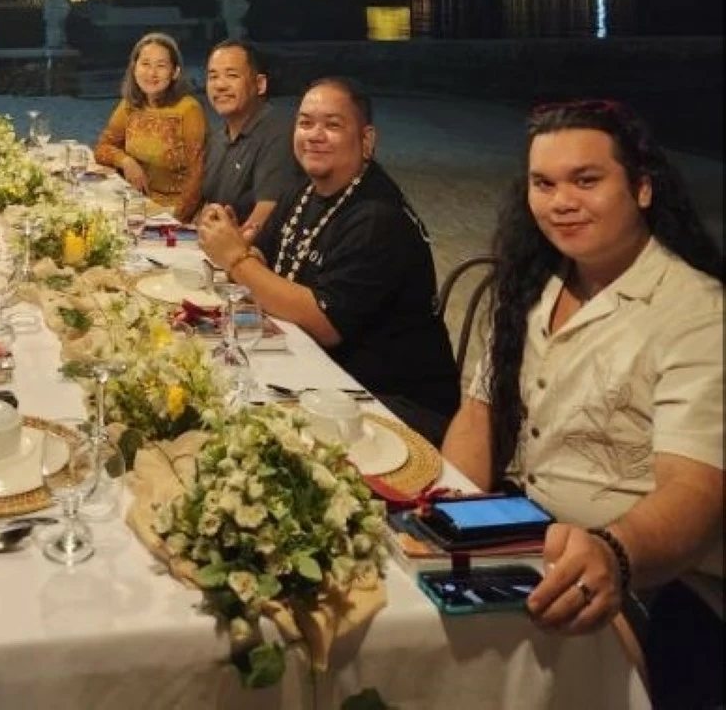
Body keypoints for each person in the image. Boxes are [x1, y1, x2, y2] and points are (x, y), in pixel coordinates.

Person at [440, 100, 723, 710]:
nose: (561, 201)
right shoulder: (533, 287)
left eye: (586, 180)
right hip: (524, 534)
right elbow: (479, 412)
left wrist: (616, 553)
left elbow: (696, 491)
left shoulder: (696, 312)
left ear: (642, 188)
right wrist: (453, 512)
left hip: (653, 579)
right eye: (544, 184)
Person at [198, 77, 459, 444]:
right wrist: (236, 244)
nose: (315, 135)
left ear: (366, 141)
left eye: (332, 125)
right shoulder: (303, 190)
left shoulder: (376, 219)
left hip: (392, 404)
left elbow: (325, 322)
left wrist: (237, 261)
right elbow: (265, 257)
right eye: (305, 123)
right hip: (320, 372)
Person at [93, 32, 208, 222]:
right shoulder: (130, 105)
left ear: (175, 72)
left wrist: (174, 219)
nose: (151, 73)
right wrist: (126, 162)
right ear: (134, 67)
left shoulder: (189, 110)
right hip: (136, 204)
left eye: (161, 66)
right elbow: (102, 149)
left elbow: (199, 175)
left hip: (172, 211)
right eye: (145, 64)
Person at [200, 39, 302, 235]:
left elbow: (267, 210)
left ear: (260, 84)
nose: (220, 85)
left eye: (232, 75)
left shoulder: (279, 131)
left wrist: (230, 248)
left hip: (254, 256)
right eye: (213, 77)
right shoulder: (218, 138)